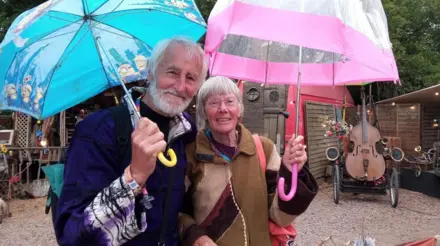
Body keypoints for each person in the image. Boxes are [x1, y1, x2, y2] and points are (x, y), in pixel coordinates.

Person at [54, 37, 208, 246]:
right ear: (151, 72)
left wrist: (195, 234)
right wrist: (134, 176)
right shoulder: (97, 131)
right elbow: (73, 235)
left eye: (191, 78)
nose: (181, 86)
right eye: (172, 72)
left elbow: (181, 207)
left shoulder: (185, 133)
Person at [178, 76, 318, 246]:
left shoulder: (264, 149)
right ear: (203, 111)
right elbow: (175, 211)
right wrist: (194, 235)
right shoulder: (191, 154)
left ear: (239, 109)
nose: (223, 109)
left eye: (230, 101)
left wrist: (290, 171)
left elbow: (280, 217)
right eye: (213, 103)